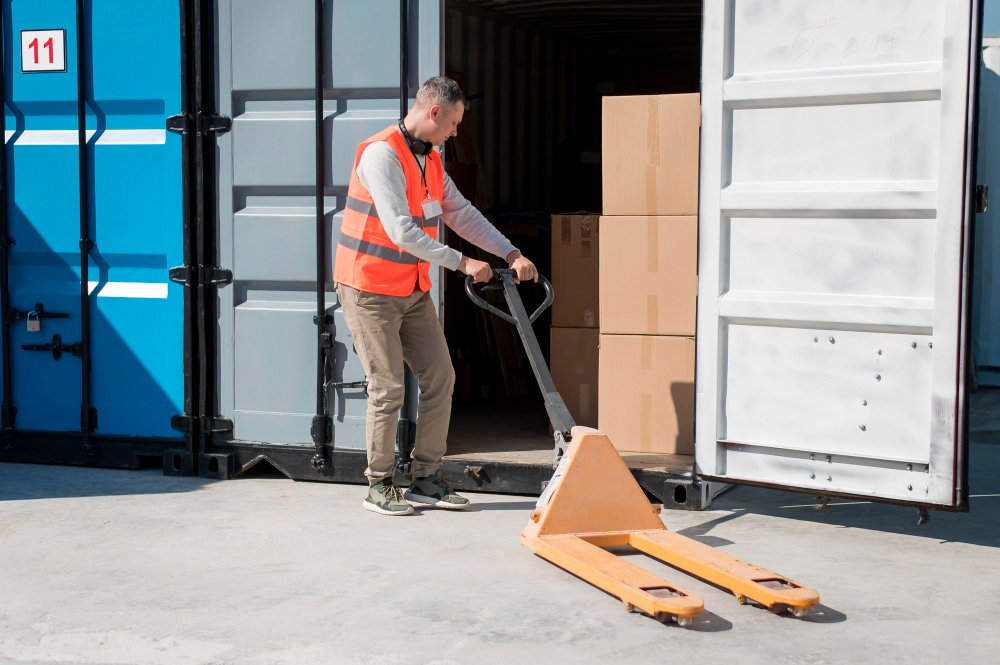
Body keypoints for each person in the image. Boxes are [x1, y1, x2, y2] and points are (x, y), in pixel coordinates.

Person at [334, 76, 538, 516]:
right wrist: (463, 263)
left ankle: (425, 477)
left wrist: (511, 251)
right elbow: (402, 232)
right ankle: (379, 483)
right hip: (368, 288)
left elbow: (460, 212)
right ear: (435, 112)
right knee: (388, 387)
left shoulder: (429, 160)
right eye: (455, 123)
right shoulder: (381, 154)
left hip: (410, 289)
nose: (456, 133)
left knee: (440, 379)